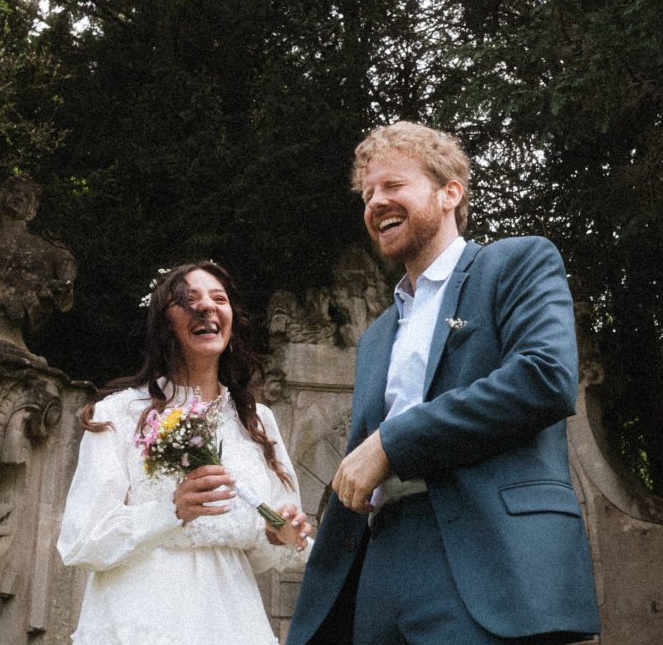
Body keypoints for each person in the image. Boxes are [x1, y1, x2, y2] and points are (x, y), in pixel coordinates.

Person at [287, 121, 600, 645]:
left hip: (485, 559)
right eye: (367, 194)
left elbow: (544, 376)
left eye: (392, 186)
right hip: (382, 565)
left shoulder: (516, 262)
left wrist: (393, 442)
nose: (375, 202)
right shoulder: (376, 336)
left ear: (450, 191)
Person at [58, 260, 312, 645]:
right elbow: (81, 541)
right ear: (164, 323)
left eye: (219, 298)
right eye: (189, 299)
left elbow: (266, 554)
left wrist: (280, 536)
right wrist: (170, 511)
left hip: (232, 620)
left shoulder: (256, 421)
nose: (207, 307)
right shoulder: (119, 415)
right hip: (138, 621)